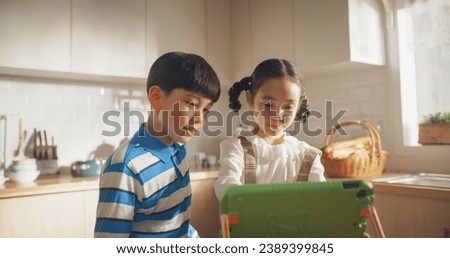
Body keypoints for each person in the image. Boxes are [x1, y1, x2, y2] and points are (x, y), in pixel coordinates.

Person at [95, 52, 221, 238]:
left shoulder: (178, 151)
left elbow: (178, 225)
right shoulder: (126, 166)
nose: (199, 121)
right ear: (156, 97)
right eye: (191, 104)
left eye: (206, 111)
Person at [214, 58, 326, 200]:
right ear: (250, 99)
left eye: (288, 107)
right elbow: (227, 186)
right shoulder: (236, 148)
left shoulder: (308, 156)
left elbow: (322, 199)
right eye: (268, 105)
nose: (277, 115)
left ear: (298, 108)